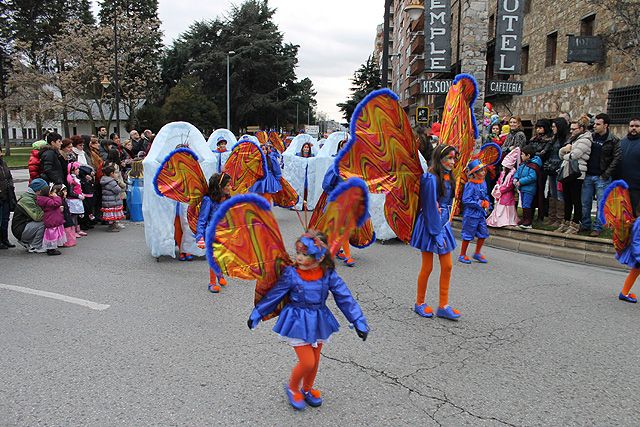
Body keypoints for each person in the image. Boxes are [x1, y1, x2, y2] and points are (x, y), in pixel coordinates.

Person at [247, 230, 368, 410]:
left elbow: (344, 297)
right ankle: (292, 388)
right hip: (297, 321)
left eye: (305, 254)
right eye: (298, 253)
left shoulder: (328, 274)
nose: (299, 258)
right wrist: (258, 313)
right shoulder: (291, 274)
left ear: (319, 258)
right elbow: (276, 294)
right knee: (307, 362)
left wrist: (358, 319)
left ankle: (307, 389)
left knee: (315, 360)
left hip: (319, 320)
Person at [409, 144, 459, 320]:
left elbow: (448, 202)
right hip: (431, 225)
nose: (453, 162)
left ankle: (443, 305)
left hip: (443, 224)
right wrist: (437, 233)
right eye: (449, 158)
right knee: (427, 266)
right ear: (439, 158)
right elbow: (430, 207)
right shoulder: (430, 178)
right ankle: (419, 302)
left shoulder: (448, 177)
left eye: (454, 158)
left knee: (447, 265)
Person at [581, 113, 620, 237]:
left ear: (606, 125)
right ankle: (585, 224)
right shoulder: (590, 137)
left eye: (598, 124)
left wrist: (606, 174)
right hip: (588, 175)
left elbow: (617, 158)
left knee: (601, 204)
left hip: (602, 177)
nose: (595, 126)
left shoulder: (613, 140)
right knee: (585, 202)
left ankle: (598, 227)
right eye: (595, 124)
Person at [196, 173, 231, 293]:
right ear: (220, 187)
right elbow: (202, 220)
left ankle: (219, 274)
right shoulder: (208, 200)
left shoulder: (227, 198)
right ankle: (212, 283)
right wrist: (199, 237)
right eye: (227, 185)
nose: (230, 187)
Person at [556, 119, 592, 234]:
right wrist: (565, 151)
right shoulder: (573, 139)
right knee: (567, 200)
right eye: (570, 129)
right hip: (568, 172)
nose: (571, 131)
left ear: (581, 129)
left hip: (577, 173)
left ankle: (576, 223)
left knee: (576, 200)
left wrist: (566, 153)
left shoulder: (585, 139)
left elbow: (575, 155)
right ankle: (565, 222)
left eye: (574, 129)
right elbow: (561, 153)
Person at [458, 159, 490, 264]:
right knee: (467, 234)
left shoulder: (483, 183)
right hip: (471, 214)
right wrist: (480, 203)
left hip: (481, 214)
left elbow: (485, 195)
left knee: (483, 233)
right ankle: (462, 254)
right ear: (474, 174)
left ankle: (477, 253)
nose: (483, 172)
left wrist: (487, 203)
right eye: (480, 171)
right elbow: (466, 200)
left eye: (483, 170)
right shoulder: (470, 185)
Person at [487, 147, 521, 228]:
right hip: (501, 192)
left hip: (507, 194)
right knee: (500, 207)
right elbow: (499, 180)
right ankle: (498, 220)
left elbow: (509, 186)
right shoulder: (503, 172)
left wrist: (500, 190)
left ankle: (504, 221)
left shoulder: (512, 174)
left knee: (506, 208)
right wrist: (497, 186)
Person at [12, 178, 47, 252]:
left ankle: (28, 241)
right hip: (20, 229)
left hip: (25, 226)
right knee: (44, 223)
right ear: (39, 191)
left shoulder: (31, 197)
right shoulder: (27, 200)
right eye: (45, 190)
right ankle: (36, 246)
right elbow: (38, 217)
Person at [513, 145, 542, 229]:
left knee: (527, 204)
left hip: (529, 189)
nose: (521, 156)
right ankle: (524, 219)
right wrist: (515, 178)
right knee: (523, 204)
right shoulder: (523, 164)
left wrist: (521, 181)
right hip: (522, 188)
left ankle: (528, 221)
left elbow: (532, 177)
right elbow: (518, 172)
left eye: (522, 154)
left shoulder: (533, 165)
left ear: (528, 155)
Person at [36, 184, 67, 255]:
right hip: (52, 220)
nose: (55, 193)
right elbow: (56, 203)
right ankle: (51, 249)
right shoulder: (47, 200)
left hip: (53, 219)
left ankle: (53, 247)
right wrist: (56, 197)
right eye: (53, 192)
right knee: (52, 234)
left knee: (55, 234)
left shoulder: (46, 199)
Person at [618, 117, 640, 215]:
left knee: (636, 213)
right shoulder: (622, 142)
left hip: (636, 187)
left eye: (637, 126)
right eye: (631, 126)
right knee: (623, 214)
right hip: (622, 186)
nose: (634, 128)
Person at [0, 145, 17, 249]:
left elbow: (9, 177)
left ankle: (5, 239)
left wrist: (10, 186)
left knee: (5, 219)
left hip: (6, 195)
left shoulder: (3, 164)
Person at [100, 165, 126, 232]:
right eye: (115, 173)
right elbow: (117, 190)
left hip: (108, 201)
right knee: (113, 215)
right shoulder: (111, 182)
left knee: (112, 216)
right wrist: (119, 185)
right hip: (112, 201)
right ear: (111, 174)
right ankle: (112, 227)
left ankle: (113, 225)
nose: (116, 174)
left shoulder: (104, 180)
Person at [66, 162, 87, 238]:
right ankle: (73, 230)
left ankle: (78, 229)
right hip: (73, 201)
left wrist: (81, 194)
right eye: (77, 169)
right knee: (73, 216)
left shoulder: (76, 178)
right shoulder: (71, 180)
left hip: (77, 200)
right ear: (72, 170)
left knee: (77, 216)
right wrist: (78, 195)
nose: (78, 170)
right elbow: (70, 192)